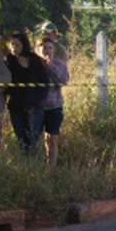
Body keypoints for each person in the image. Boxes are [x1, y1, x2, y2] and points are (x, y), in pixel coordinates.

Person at [4, 31, 48, 155]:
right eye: (11, 44)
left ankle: (35, 166)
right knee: (21, 140)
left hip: (34, 107)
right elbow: (4, 84)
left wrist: (38, 100)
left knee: (33, 140)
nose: (14, 47)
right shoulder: (8, 61)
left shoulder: (34, 60)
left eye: (17, 44)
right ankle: (24, 168)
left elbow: (44, 83)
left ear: (24, 45)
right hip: (16, 107)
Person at [35, 36, 68, 166]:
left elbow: (64, 80)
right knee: (36, 140)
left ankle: (51, 168)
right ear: (38, 49)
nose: (47, 50)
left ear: (54, 50)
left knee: (52, 139)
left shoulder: (59, 64)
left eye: (50, 48)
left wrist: (50, 66)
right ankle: (36, 166)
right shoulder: (34, 64)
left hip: (54, 106)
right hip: (37, 107)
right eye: (44, 48)